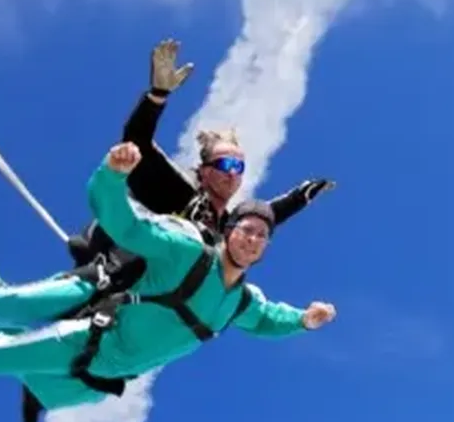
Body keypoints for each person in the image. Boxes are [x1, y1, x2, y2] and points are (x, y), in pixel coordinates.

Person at [0, 142, 337, 415]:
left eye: (262, 236)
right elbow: (126, 223)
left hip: (107, 373)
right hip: (103, 296)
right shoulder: (184, 238)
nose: (253, 238)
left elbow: (268, 317)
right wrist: (113, 173)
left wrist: (305, 319)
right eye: (223, 165)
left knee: (36, 384)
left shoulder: (242, 298)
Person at [66, 38, 336, 269]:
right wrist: (157, 95)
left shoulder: (228, 226)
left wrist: (302, 196)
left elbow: (268, 213)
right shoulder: (175, 191)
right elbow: (137, 141)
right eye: (226, 163)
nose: (232, 172)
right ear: (205, 171)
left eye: (239, 167)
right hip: (117, 274)